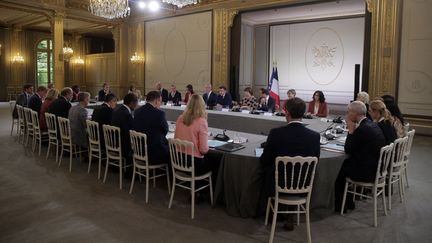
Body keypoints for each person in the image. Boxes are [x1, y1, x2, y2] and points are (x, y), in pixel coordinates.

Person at [260, 97, 320, 230]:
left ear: (286, 113)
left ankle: (270, 213)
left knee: (264, 171)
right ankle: (290, 216)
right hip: (303, 185)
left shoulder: (276, 134)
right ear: (304, 114)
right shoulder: (315, 137)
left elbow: (264, 160)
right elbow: (316, 161)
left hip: (277, 185)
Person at [334, 101, 386, 212]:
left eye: (348, 112)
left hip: (368, 172)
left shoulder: (363, 129)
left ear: (355, 113)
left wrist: (351, 131)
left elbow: (348, 149)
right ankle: (348, 202)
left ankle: (342, 206)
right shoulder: (369, 123)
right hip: (378, 167)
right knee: (345, 164)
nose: (347, 115)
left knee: (338, 169)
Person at [174, 94, 210, 175]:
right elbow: (203, 150)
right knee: (216, 162)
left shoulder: (180, 118)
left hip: (178, 160)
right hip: (193, 164)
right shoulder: (201, 121)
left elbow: (176, 138)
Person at [133, 91, 170, 165]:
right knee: (173, 150)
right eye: (160, 101)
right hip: (154, 153)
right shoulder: (159, 114)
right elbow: (166, 130)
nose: (161, 104)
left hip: (139, 150)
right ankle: (169, 175)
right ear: (156, 101)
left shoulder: (137, 111)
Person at [111, 93, 138, 163]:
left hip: (113, 143)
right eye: (136, 103)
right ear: (132, 103)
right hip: (123, 147)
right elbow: (130, 133)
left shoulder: (117, 111)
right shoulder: (127, 115)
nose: (136, 106)